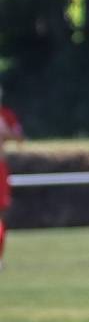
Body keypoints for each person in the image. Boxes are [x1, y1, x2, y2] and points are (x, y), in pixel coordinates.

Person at [0, 84, 20, 269]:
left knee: (2, 214)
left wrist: (6, 132)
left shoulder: (6, 115)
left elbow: (20, 138)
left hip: (0, 168)